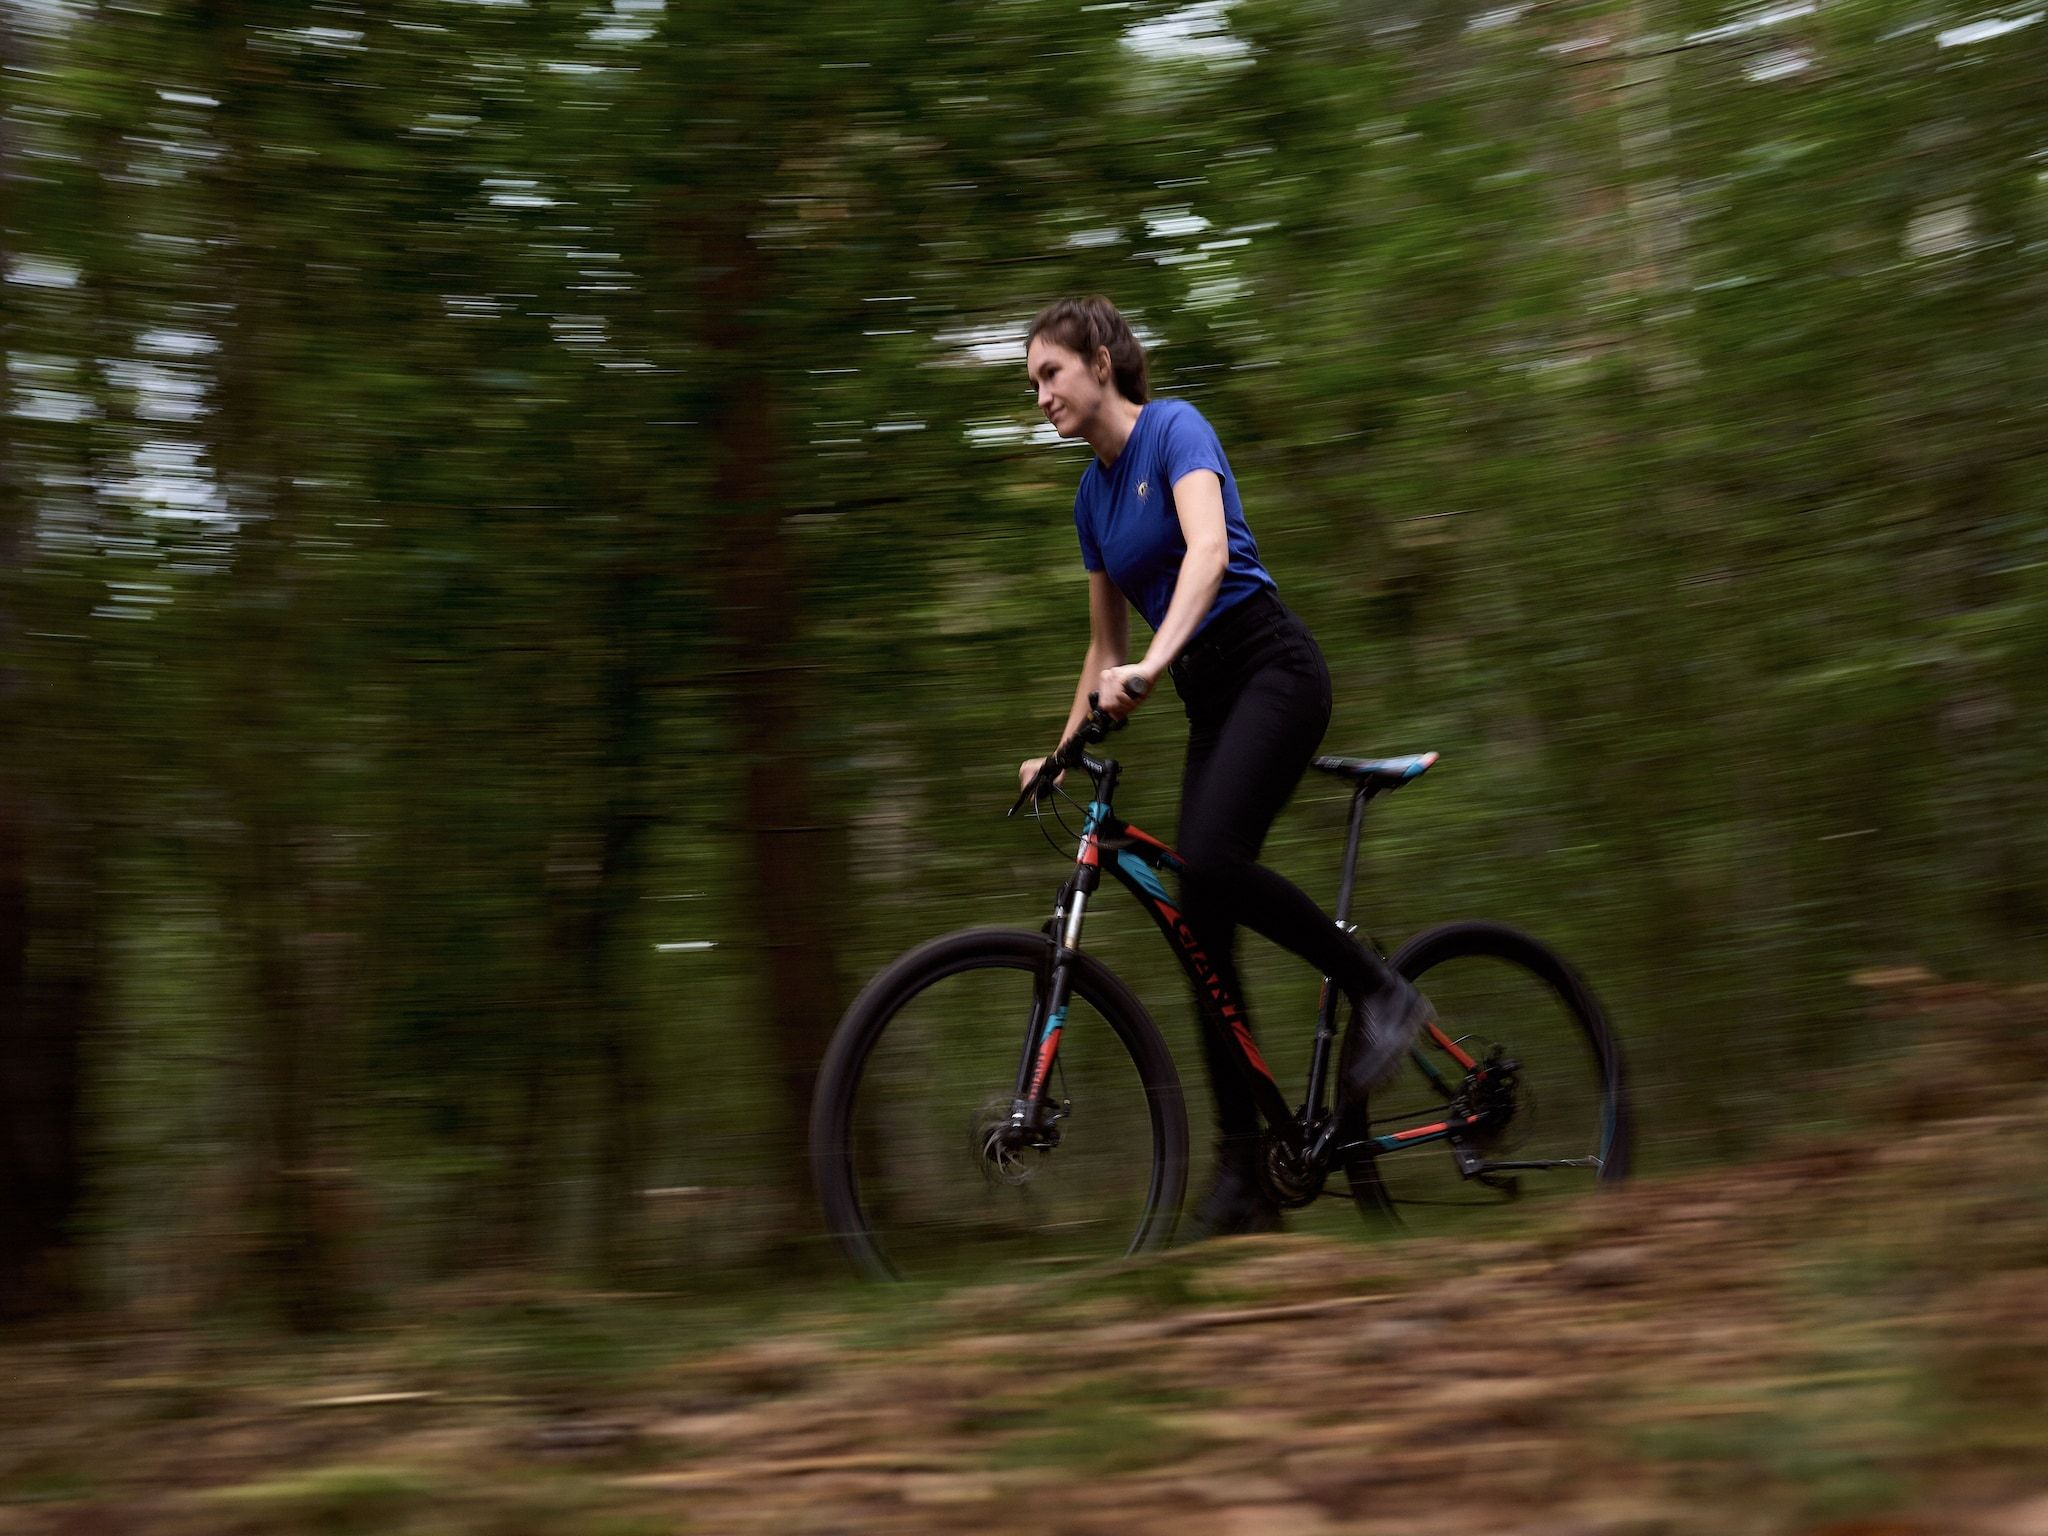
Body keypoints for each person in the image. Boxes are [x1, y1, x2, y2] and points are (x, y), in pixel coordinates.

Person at [1017, 296, 1433, 1236]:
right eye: (1032, 383)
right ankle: (1247, 1179)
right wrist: (1058, 752)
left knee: (1210, 861)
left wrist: (1154, 665)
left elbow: (1208, 554)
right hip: (1208, 690)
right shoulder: (1091, 496)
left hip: (1271, 666)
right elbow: (1101, 646)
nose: (1039, 395)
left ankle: (1385, 994)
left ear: (1101, 361)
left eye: (1050, 373)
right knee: (1199, 922)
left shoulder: (1174, 429)